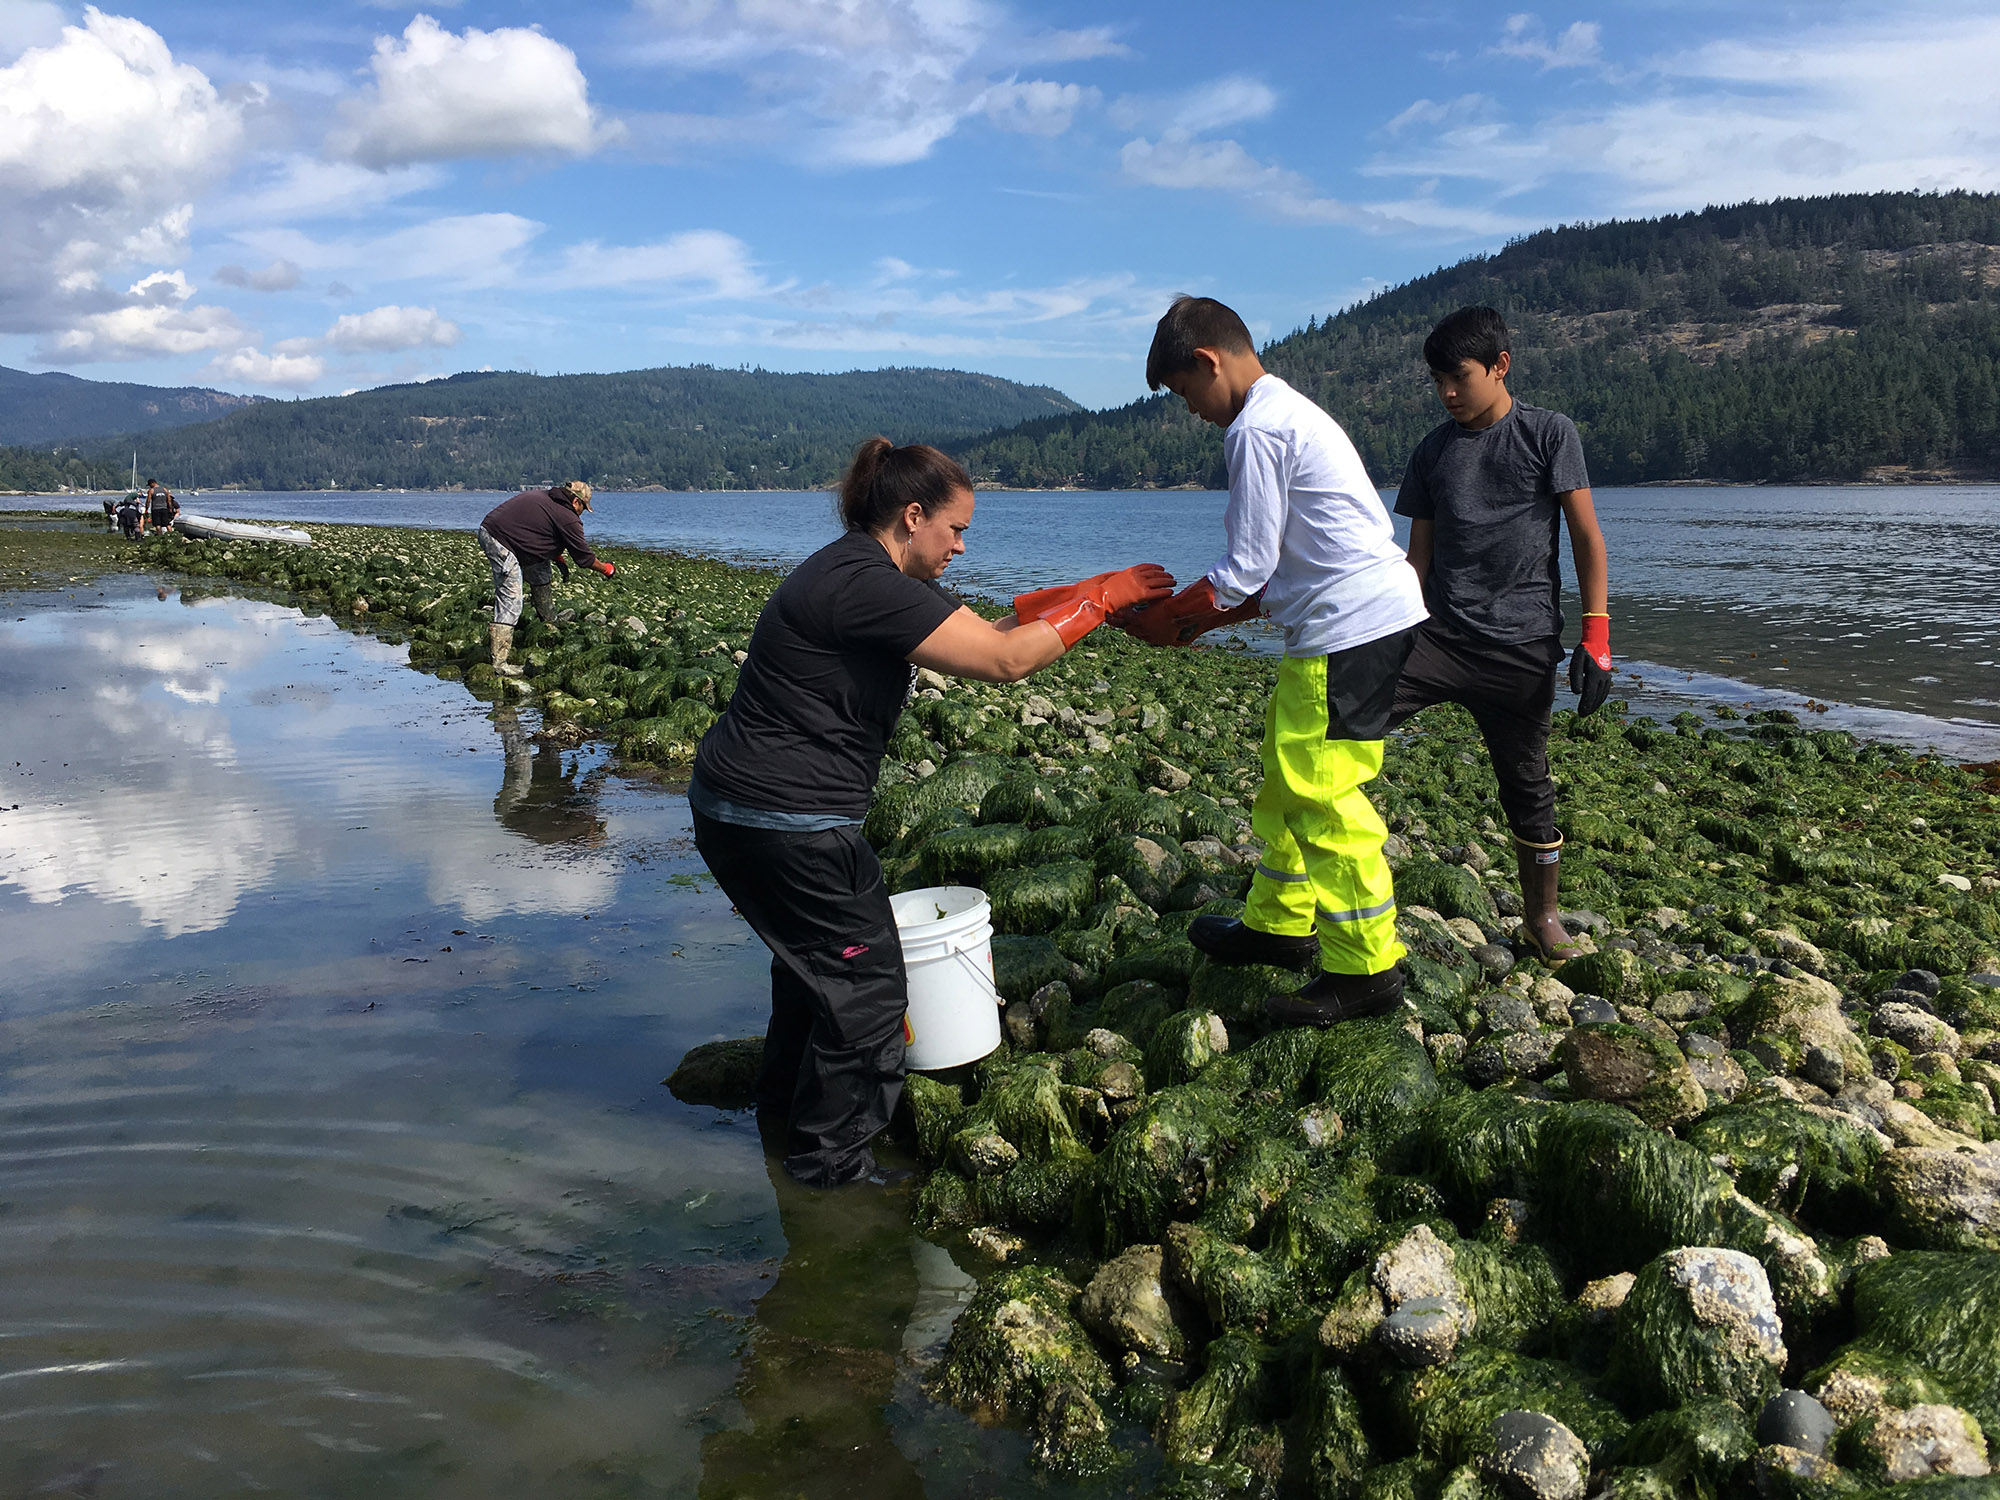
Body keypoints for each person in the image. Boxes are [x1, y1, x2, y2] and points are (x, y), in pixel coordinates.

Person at [689, 437, 1173, 1187]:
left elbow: (998, 635)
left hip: (741, 807)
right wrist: (1102, 600)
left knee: (811, 976)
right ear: (913, 517)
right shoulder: (867, 584)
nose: (961, 546)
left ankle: (781, 1128)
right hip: (787, 821)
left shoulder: (862, 570)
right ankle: (829, 1189)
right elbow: (1008, 665)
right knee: (871, 1002)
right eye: (957, 530)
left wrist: (1091, 604)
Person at [1118, 296, 1427, 1028]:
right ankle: (1281, 924)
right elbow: (1288, 569)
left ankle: (1366, 967)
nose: (1191, 410)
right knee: (1290, 775)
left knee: (1322, 793)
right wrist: (1199, 618)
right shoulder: (1290, 411)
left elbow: (1246, 568)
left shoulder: (1256, 429)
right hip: (1346, 620)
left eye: (1186, 393)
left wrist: (1172, 621)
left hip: (1348, 628)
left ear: (1207, 361)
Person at [1388, 305, 1612, 962]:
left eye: (1458, 377)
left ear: (1500, 366)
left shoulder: (1549, 434)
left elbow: (1586, 537)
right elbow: (1417, 563)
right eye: (1437, 382)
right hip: (1438, 640)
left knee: (1527, 782)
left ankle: (1542, 919)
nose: (1447, 393)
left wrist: (1596, 636)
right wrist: (1378, 631)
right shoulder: (1432, 452)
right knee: (1343, 721)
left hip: (1521, 647)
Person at [476, 480, 612, 676]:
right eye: (583, 507)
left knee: (540, 568)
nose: (581, 512)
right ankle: (499, 663)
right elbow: (584, 558)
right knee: (511, 599)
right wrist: (607, 569)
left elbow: (536, 532)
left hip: (501, 532)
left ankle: (549, 620)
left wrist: (556, 556)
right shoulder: (567, 516)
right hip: (498, 539)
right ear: (576, 502)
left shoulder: (546, 497)